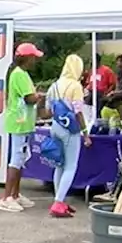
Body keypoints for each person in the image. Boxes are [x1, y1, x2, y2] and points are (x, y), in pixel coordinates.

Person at [0, 43, 45, 213]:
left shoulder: (21, 73)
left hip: (23, 122)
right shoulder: (19, 74)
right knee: (16, 160)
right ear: (27, 58)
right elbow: (29, 98)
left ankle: (15, 194)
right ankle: (6, 197)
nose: (35, 60)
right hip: (19, 122)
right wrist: (39, 96)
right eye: (34, 57)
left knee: (21, 159)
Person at [46, 54, 91, 218]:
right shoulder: (75, 86)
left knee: (59, 165)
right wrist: (85, 133)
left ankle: (59, 199)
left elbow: (48, 110)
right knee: (70, 166)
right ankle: (58, 202)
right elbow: (78, 112)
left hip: (55, 127)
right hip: (70, 130)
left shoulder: (54, 86)